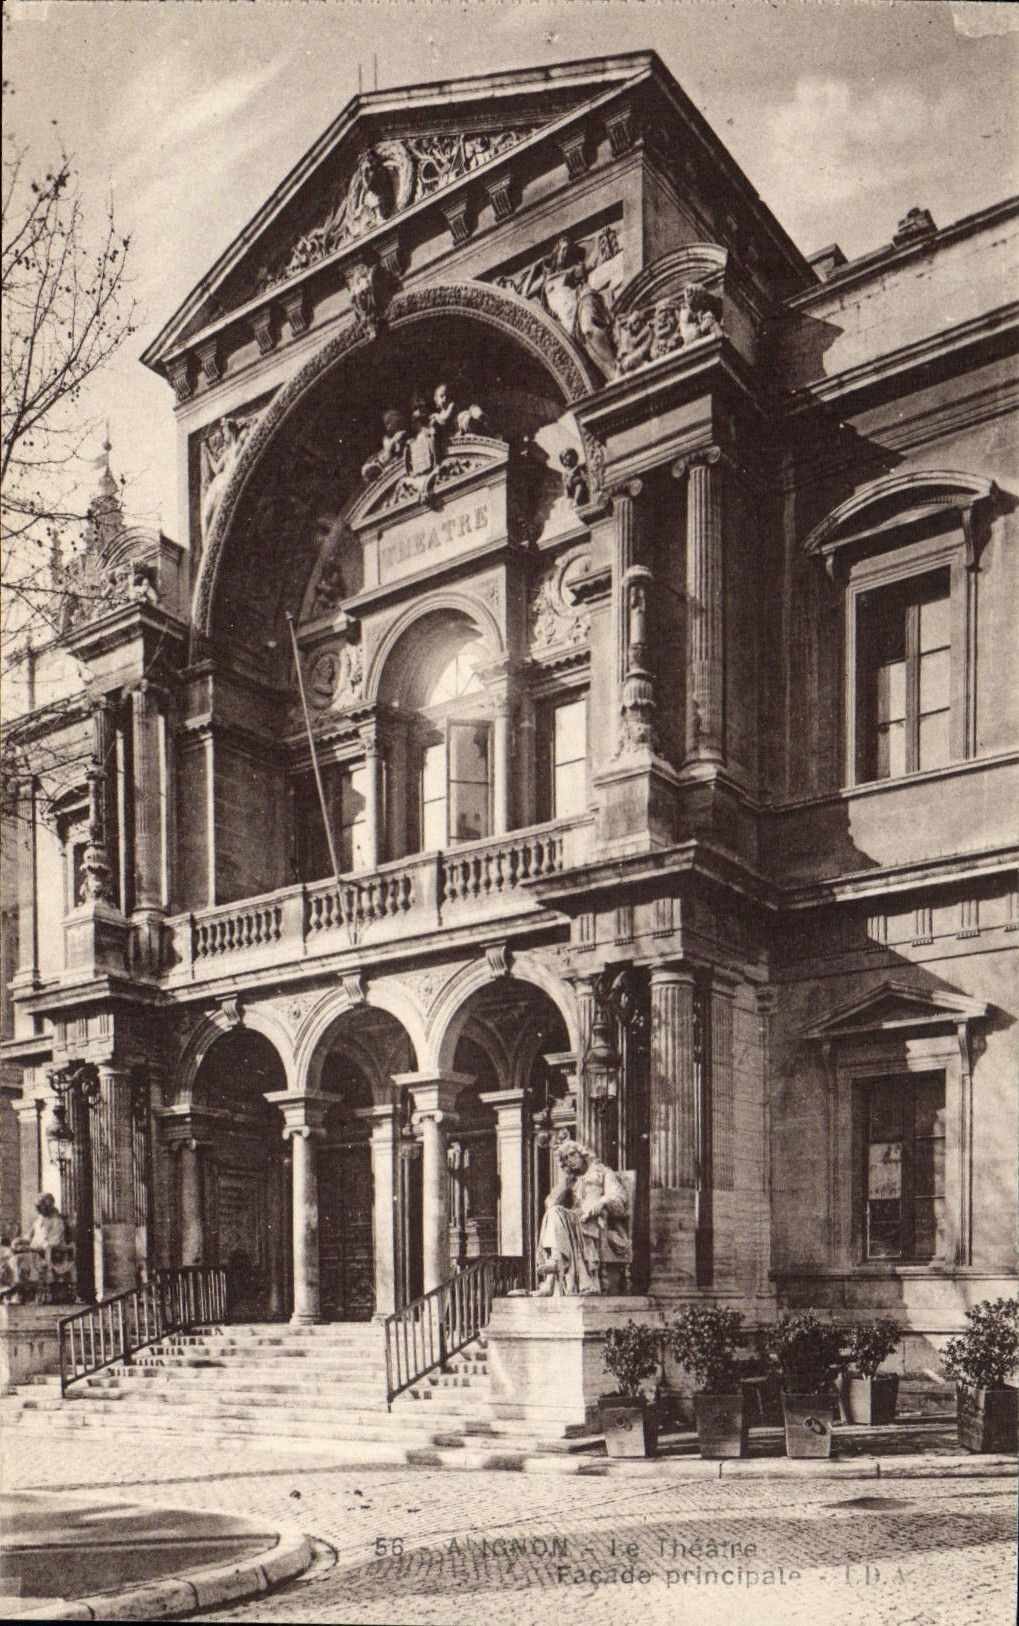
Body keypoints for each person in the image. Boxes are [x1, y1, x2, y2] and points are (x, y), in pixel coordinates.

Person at [535, 1135, 630, 1296]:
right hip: (576, 1221)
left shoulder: (603, 1172)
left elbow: (618, 1198)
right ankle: (552, 1273)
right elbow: (550, 1203)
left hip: (595, 1222)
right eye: (565, 1158)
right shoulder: (572, 1180)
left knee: (557, 1214)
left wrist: (600, 1203)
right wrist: (564, 1183)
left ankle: (551, 1277)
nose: (570, 1160)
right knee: (554, 1212)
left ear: (582, 1152)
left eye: (572, 1154)